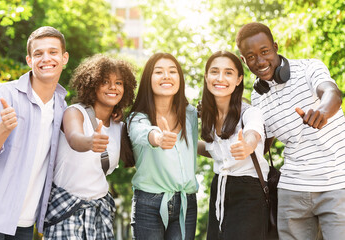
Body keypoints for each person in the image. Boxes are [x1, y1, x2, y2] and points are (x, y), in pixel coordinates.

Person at [0, 26, 69, 239]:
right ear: (29, 60)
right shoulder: (2, 95)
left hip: (24, 220)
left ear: (64, 58)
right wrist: (2, 129)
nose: (46, 58)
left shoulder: (62, 107)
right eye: (38, 54)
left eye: (53, 52)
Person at [236, 22, 345, 239]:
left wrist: (322, 111)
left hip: (335, 182)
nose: (260, 61)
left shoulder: (309, 68)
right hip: (292, 189)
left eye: (264, 51)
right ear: (243, 60)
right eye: (251, 57)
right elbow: (261, 142)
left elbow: (332, 92)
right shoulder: (258, 96)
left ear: (275, 47)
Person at [43, 54, 137, 239]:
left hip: (100, 211)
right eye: (105, 81)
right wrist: (90, 142)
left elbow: (137, 159)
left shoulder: (120, 127)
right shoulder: (75, 112)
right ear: (92, 84)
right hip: (67, 211)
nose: (113, 87)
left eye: (119, 83)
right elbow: (74, 138)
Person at [125, 53, 199, 240]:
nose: (166, 76)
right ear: (148, 80)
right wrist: (158, 138)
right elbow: (142, 133)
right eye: (159, 72)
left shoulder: (190, 114)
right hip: (149, 205)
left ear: (180, 79)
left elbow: (197, 145)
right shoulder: (137, 118)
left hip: (186, 203)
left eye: (172, 71)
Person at [199, 51, 269, 239]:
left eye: (228, 73)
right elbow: (212, 150)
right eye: (214, 72)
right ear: (206, 77)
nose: (220, 78)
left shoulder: (250, 112)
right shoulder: (209, 117)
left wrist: (248, 145)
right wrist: (179, 141)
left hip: (248, 192)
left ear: (238, 79)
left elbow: (253, 133)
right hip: (219, 188)